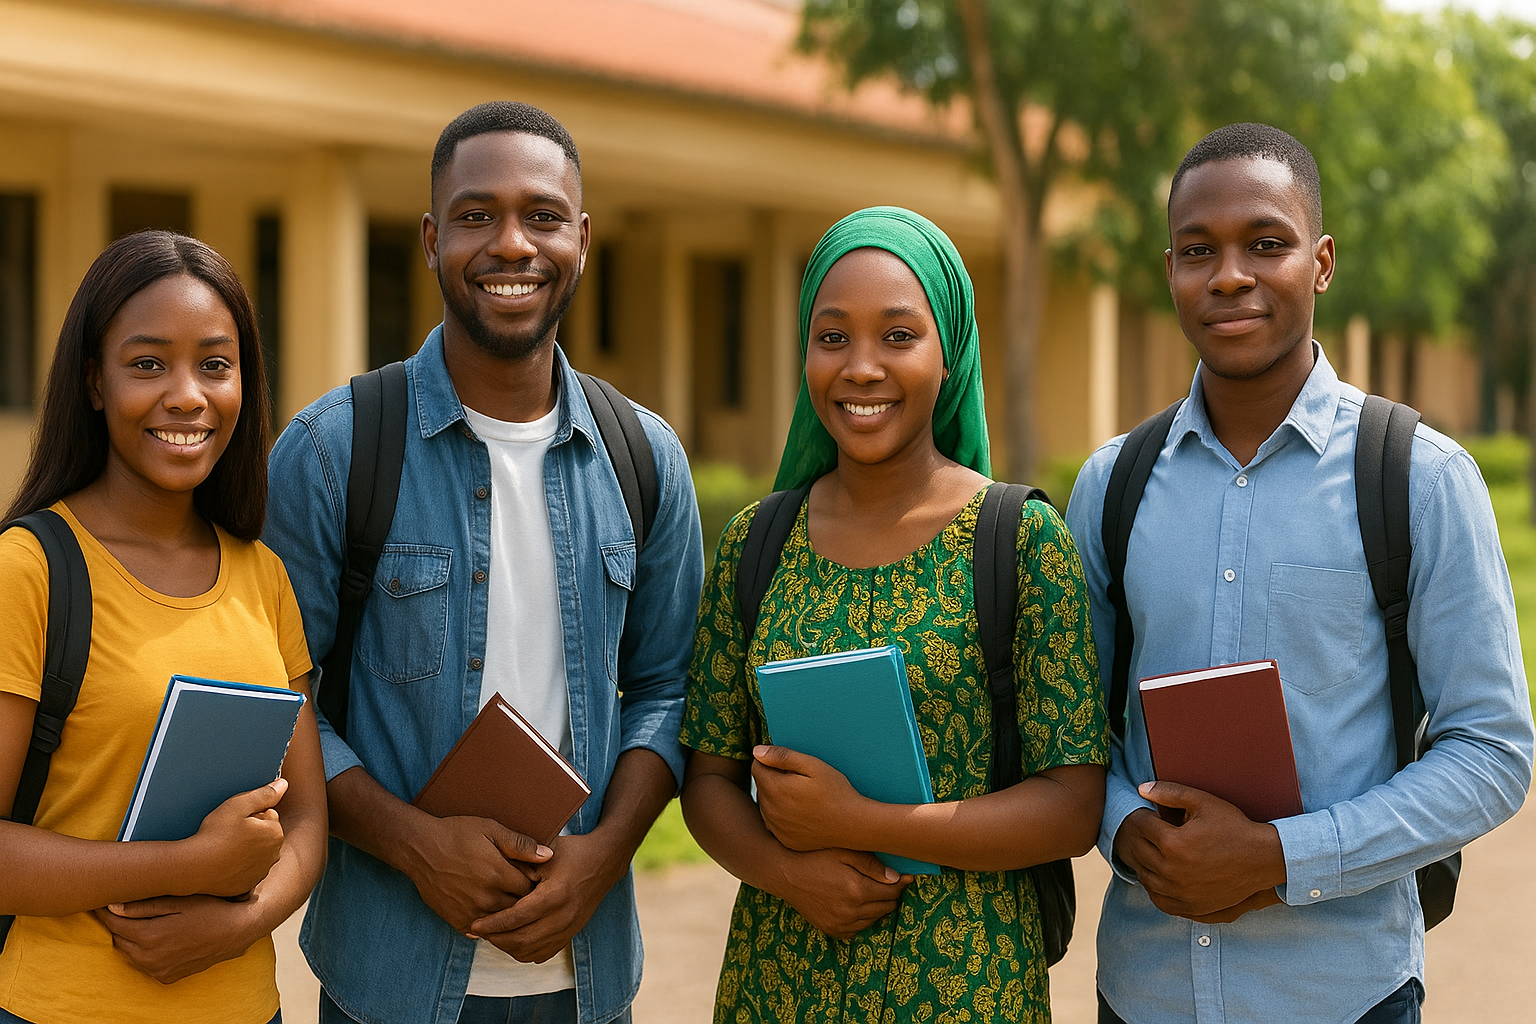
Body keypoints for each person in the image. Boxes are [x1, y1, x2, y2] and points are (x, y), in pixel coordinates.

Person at [1067, 123, 1536, 1024]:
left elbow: (1491, 753)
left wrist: (1285, 857)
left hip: (1345, 996)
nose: (1231, 274)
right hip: (1143, 991)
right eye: (1199, 250)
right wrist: (1125, 827)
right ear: (1170, 271)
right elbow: (1076, 732)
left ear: (1320, 262)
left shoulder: (1419, 479)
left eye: (1266, 243)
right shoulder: (1111, 486)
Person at [263, 101, 704, 1024]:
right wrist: (414, 842)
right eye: (476, 215)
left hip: (586, 981)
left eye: (542, 216)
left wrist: (606, 854)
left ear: (582, 239)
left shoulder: (646, 458)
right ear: (430, 239)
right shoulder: (331, 452)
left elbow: (667, 688)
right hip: (387, 978)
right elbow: (283, 703)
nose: (512, 244)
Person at [680, 206, 1108, 1024]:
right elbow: (708, 781)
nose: (861, 367)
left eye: (899, 336)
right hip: (782, 979)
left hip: (968, 983)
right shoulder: (754, 545)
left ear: (950, 353)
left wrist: (863, 821)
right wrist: (788, 871)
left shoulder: (1019, 543)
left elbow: (1072, 805)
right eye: (832, 336)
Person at [0, 230, 327, 1024]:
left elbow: (308, 819)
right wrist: (185, 864)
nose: (188, 395)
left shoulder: (264, 578)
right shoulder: (29, 569)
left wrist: (242, 921)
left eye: (215, 364)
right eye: (148, 364)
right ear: (94, 382)